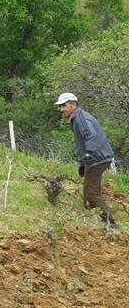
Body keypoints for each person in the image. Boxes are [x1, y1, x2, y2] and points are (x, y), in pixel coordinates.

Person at [55, 92, 117, 227]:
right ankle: (98, 219)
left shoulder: (80, 118)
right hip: (96, 157)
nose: (61, 109)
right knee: (88, 196)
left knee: (91, 194)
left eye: (63, 105)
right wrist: (84, 163)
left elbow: (91, 136)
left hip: (97, 158)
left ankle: (109, 222)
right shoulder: (78, 117)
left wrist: (88, 155)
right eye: (60, 106)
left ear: (73, 104)